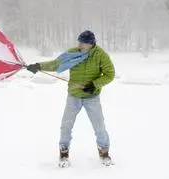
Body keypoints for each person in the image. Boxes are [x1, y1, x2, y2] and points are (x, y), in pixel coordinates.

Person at [26, 30, 115, 167]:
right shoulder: (73, 52)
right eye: (78, 42)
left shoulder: (100, 55)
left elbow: (110, 74)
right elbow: (56, 64)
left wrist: (94, 84)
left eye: (82, 43)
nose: (79, 45)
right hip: (74, 96)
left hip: (92, 98)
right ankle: (64, 153)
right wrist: (38, 66)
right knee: (66, 125)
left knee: (99, 126)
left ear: (90, 44)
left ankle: (104, 153)